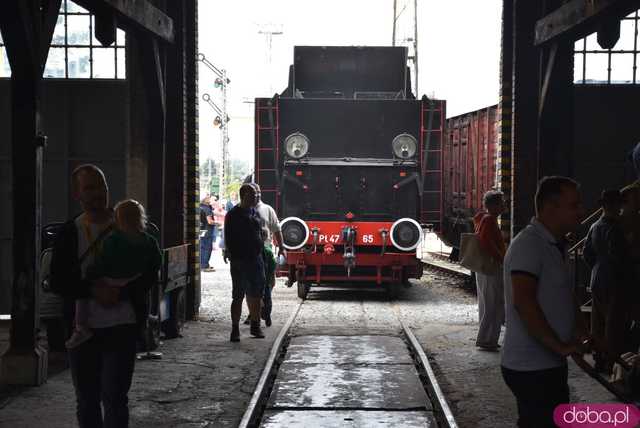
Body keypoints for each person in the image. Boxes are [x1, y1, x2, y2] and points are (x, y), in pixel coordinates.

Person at [49, 164, 158, 428]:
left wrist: (120, 293)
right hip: (83, 331)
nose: (98, 193)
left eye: (102, 186)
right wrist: (93, 291)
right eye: (90, 188)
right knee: (86, 400)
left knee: (115, 397)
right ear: (78, 195)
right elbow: (59, 281)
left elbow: (150, 274)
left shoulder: (130, 226)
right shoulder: (69, 233)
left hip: (122, 327)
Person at [501, 176, 589, 428]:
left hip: (547, 365)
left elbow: (564, 295)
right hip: (530, 368)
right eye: (574, 205)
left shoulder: (554, 245)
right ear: (551, 208)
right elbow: (524, 302)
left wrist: (583, 332)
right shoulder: (529, 246)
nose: (581, 211)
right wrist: (559, 346)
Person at [66, 199, 161, 350]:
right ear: (141, 219)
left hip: (110, 280)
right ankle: (142, 330)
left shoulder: (114, 239)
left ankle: (80, 327)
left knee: (81, 293)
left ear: (117, 219)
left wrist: (91, 273)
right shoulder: (149, 241)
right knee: (142, 302)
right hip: (134, 279)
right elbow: (156, 263)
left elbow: (103, 261)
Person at [583, 190, 628, 372]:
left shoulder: (594, 226)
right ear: (614, 205)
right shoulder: (614, 228)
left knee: (598, 322)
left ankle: (599, 357)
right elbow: (619, 256)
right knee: (612, 323)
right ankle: (610, 361)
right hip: (612, 278)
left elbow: (587, 253)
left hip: (596, 276)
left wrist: (597, 267)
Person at [223, 183, 266, 342]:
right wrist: (231, 253)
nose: (256, 197)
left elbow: (260, 233)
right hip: (240, 261)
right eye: (253, 194)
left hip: (256, 259)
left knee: (256, 294)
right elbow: (228, 237)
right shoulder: (233, 215)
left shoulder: (255, 213)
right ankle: (235, 329)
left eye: (256, 194)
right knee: (238, 295)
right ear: (244, 196)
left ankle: (255, 325)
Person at [243, 183, 284, 327]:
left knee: (267, 284)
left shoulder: (267, 210)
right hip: (248, 253)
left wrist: (281, 247)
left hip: (265, 251)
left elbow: (277, 229)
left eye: (259, 192)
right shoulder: (241, 211)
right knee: (250, 285)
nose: (257, 195)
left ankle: (265, 312)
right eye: (254, 193)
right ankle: (253, 313)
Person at [472, 190, 507, 351]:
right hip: (491, 267)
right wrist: (501, 258)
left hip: (485, 267)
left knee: (487, 303)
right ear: (493, 205)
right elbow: (486, 242)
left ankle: (487, 337)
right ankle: (487, 339)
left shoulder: (484, 219)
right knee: (493, 303)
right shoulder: (489, 220)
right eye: (502, 202)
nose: (504, 205)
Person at [199, 195, 215, 272]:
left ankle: (204, 264)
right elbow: (210, 221)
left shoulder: (200, 207)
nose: (210, 199)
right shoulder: (207, 209)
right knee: (207, 249)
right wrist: (218, 223)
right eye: (208, 198)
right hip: (208, 231)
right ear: (205, 200)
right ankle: (204, 265)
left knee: (202, 248)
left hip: (202, 231)